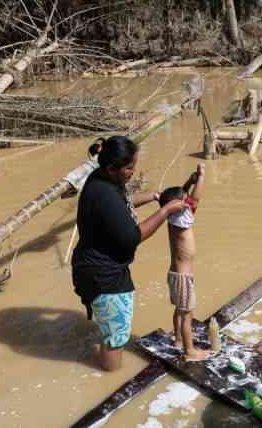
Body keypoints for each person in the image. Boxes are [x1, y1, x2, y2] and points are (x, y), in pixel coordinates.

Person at [69, 136, 186, 371]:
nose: (133, 171)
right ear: (113, 168)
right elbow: (132, 237)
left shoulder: (102, 178)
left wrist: (152, 197)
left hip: (92, 266)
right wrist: (164, 212)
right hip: (104, 275)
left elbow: (121, 206)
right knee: (116, 340)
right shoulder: (104, 193)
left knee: (111, 330)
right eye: (129, 168)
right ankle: (107, 379)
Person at [158, 163, 210, 361]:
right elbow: (195, 198)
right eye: (183, 200)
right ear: (180, 205)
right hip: (183, 276)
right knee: (187, 314)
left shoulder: (174, 215)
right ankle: (190, 351)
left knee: (180, 311)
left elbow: (183, 196)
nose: (186, 200)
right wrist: (202, 176)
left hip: (176, 274)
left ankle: (178, 339)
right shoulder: (181, 215)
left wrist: (189, 181)